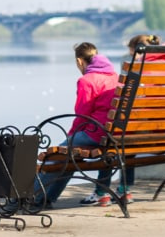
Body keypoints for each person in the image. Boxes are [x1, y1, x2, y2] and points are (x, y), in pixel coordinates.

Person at [29, 42, 119, 209]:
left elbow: (82, 115)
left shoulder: (87, 80)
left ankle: (33, 196)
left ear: (79, 61)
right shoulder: (114, 77)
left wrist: (71, 136)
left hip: (94, 133)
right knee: (69, 156)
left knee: (55, 157)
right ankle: (45, 198)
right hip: (112, 134)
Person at [110, 33, 165, 203]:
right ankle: (124, 189)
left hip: (151, 128)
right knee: (127, 135)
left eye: (132, 54)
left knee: (119, 137)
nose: (133, 58)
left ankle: (120, 189)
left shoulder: (143, 66)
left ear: (139, 51)